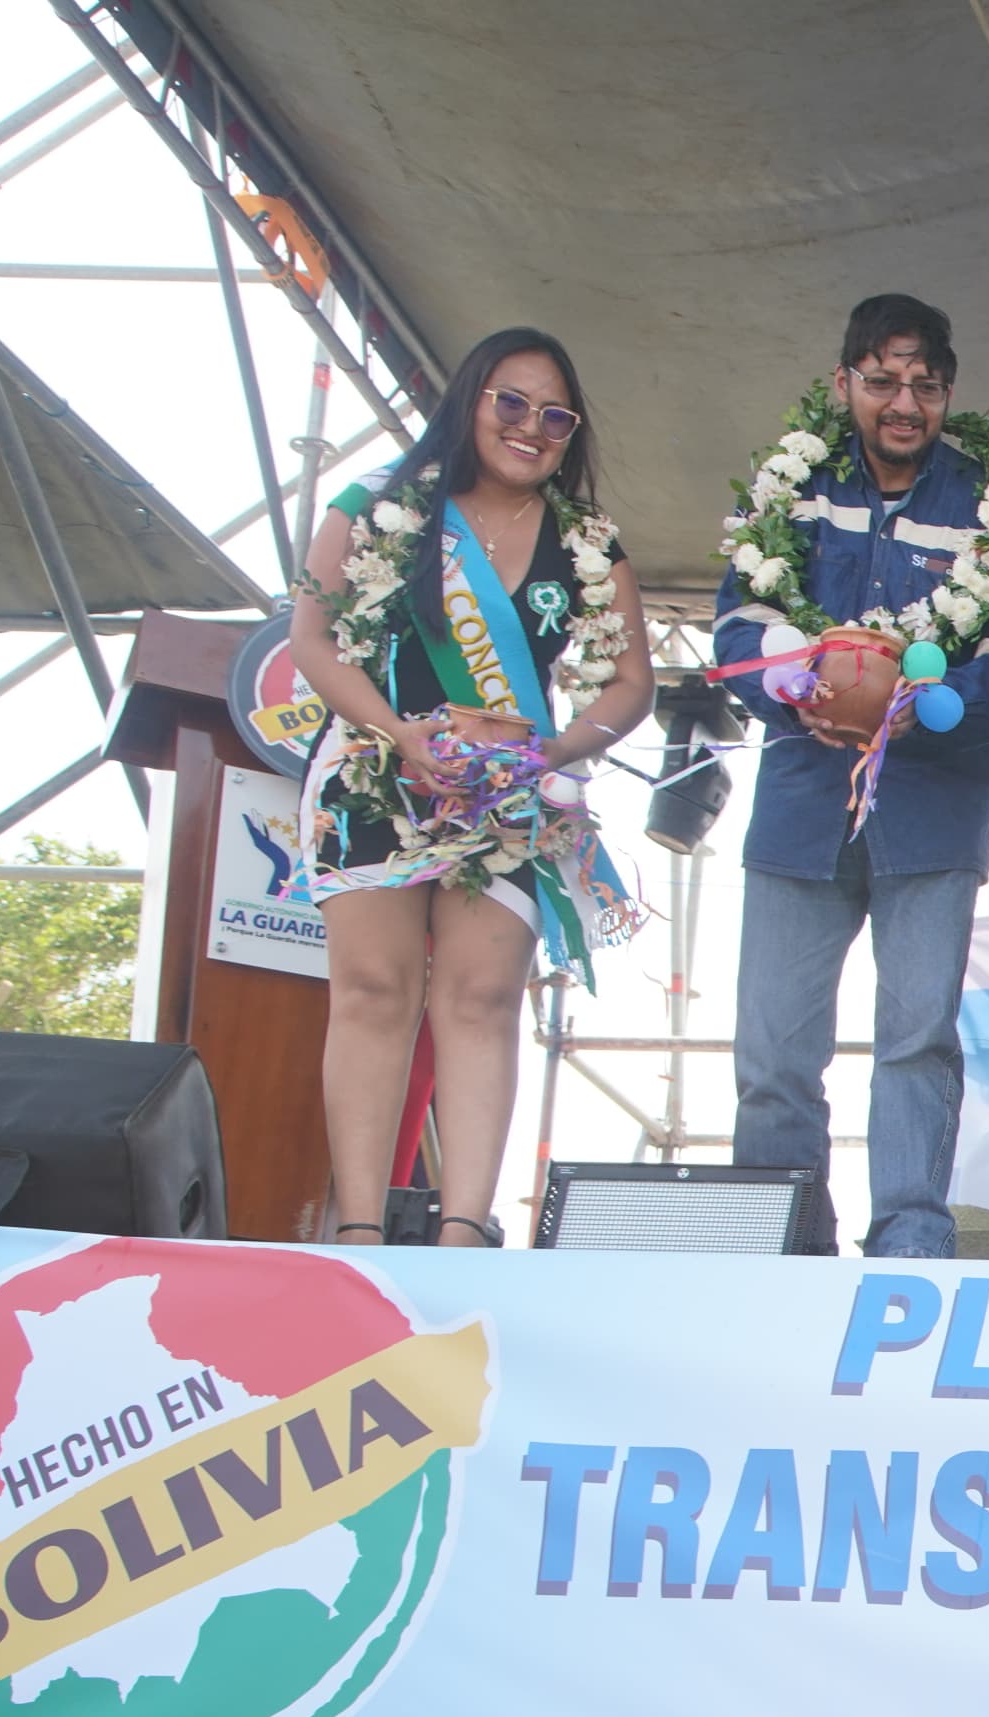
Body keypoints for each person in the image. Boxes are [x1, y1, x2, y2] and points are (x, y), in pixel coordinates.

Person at [290, 326, 651, 1248]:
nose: (533, 427)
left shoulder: (587, 543)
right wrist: (397, 732)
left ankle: (464, 1233)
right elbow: (312, 639)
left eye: (556, 415)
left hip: (507, 794)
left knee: (483, 1000)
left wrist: (557, 752)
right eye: (512, 402)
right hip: (380, 770)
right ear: (469, 400)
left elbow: (631, 683)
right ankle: (362, 1229)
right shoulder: (378, 505)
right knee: (372, 992)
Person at [711, 293, 989, 1258]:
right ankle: (779, 1243)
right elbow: (734, 629)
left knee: (917, 1041)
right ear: (843, 383)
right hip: (799, 808)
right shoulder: (790, 489)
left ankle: (908, 1239)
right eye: (884, 381)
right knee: (774, 1053)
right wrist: (804, 689)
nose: (905, 403)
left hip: (932, 810)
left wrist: (916, 702)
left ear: (948, 395)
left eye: (925, 386)